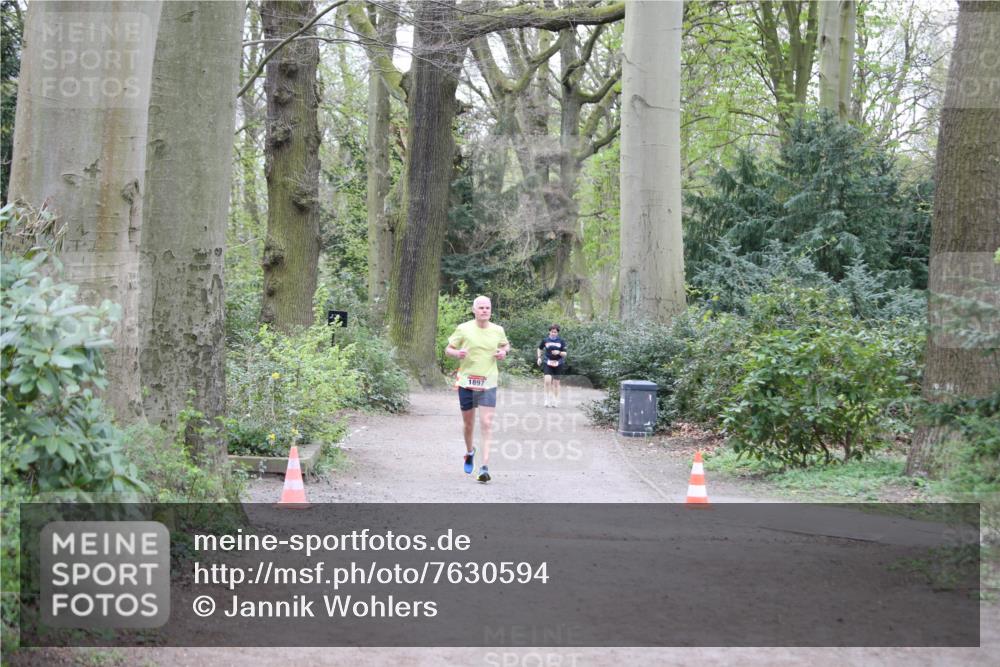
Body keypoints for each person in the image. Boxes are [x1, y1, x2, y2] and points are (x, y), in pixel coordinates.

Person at [444, 295, 510, 483]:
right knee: (469, 424)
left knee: (487, 424)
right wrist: (457, 353)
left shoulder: (498, 330)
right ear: (474, 310)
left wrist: (503, 352)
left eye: (487, 307)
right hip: (466, 382)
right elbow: (448, 349)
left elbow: (506, 345)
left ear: (491, 310)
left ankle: (484, 467)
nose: (484, 310)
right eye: (480, 307)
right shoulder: (463, 329)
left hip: (488, 382)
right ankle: (469, 452)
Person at [536, 324, 567, 407]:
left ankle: (555, 400)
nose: (553, 333)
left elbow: (565, 354)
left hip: (558, 363)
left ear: (557, 333)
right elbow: (539, 348)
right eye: (552, 332)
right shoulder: (545, 340)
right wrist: (539, 358)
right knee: (547, 381)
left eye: (555, 332)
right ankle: (546, 400)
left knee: (556, 383)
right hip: (548, 362)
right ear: (549, 332)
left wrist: (559, 352)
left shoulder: (561, 341)